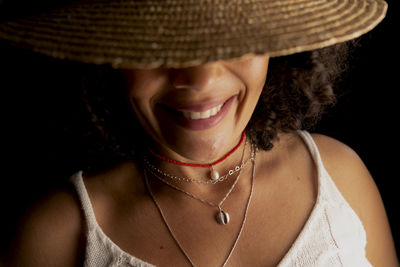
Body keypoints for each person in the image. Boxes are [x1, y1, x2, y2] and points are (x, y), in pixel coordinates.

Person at [0, 0, 398, 266]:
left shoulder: (339, 176)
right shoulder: (58, 236)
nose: (201, 77)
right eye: (159, 43)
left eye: (235, 38)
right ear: (106, 60)